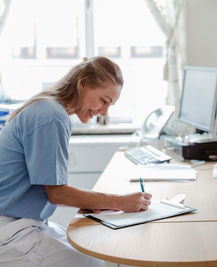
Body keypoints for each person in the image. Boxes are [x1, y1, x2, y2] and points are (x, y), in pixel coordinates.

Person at [0, 56, 152, 267]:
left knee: (93, 253)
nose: (104, 112)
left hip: (22, 224)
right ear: (83, 84)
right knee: (94, 263)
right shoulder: (51, 116)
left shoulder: (48, 109)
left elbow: (51, 190)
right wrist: (119, 202)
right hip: (10, 231)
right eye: (103, 100)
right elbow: (57, 193)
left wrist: (95, 202)